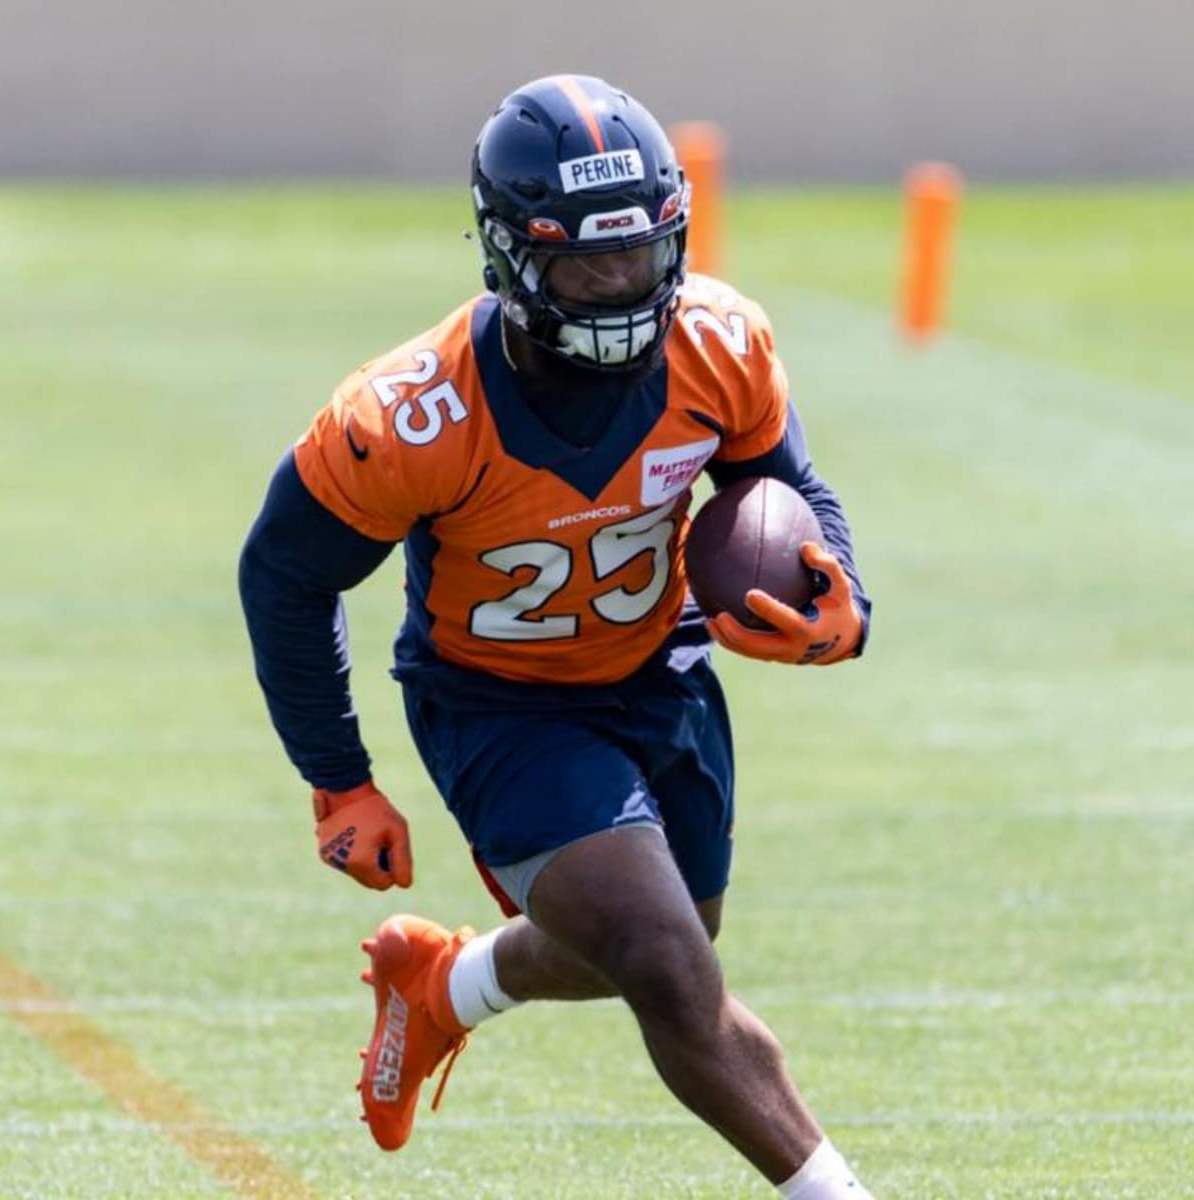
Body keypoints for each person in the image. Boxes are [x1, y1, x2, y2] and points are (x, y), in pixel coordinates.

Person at [239, 74, 877, 1199]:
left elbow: (785, 485)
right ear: (512, 255)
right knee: (668, 967)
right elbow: (283, 575)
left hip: (658, 672)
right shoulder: (412, 415)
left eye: (635, 255)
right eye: (586, 262)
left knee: (663, 941)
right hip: (500, 705)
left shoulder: (720, 343)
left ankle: (447, 987)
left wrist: (842, 600)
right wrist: (339, 780)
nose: (619, 286)